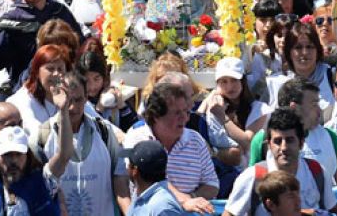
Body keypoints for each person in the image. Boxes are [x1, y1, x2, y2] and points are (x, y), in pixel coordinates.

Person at [38, 70, 132, 214]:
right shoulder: (43, 136)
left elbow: (119, 179)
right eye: (68, 100)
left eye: (78, 100)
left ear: (87, 98)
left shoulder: (104, 132)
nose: (72, 108)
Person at [223, 107, 337, 216]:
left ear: (302, 143)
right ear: (269, 144)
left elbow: (335, 210)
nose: (284, 148)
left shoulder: (316, 172)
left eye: (290, 140)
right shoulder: (252, 177)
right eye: (278, 141)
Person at [123, 82, 219, 213]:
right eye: (176, 113)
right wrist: (183, 201)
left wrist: (192, 199)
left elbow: (212, 185)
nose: (184, 118)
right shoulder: (134, 138)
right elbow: (144, 181)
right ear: (156, 116)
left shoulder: (196, 140)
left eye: (186, 112)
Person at [126, 140, 187, 215]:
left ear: (135, 171)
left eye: (129, 163)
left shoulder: (163, 207)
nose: (127, 167)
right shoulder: (140, 196)